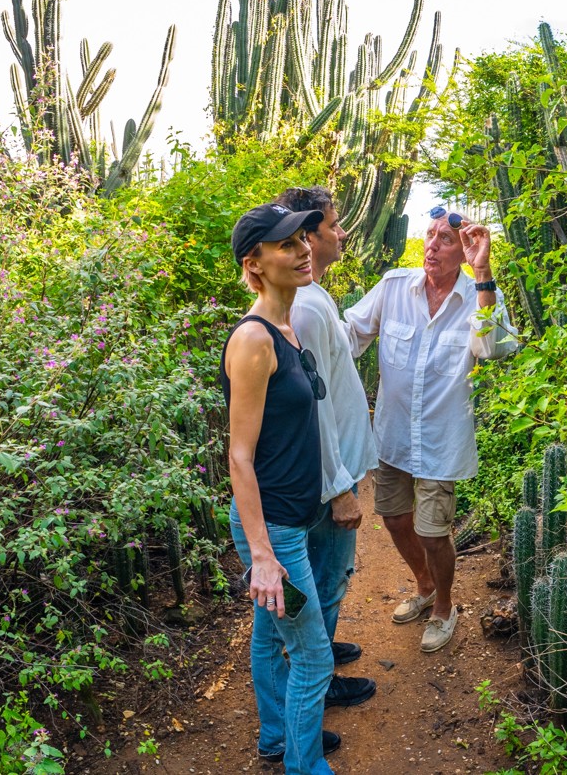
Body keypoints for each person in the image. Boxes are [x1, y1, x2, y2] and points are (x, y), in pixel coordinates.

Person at [344, 207, 519, 653]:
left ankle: (444, 605)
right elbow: (350, 336)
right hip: (393, 436)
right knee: (395, 519)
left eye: (446, 239)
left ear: (465, 251)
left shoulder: (478, 294)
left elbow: (496, 348)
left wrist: (483, 274)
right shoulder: (394, 287)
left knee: (432, 532)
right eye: (431, 235)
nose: (433, 245)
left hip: (441, 440)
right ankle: (423, 586)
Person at [222, 202, 341, 774]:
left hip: (292, 519)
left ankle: (279, 738)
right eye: (285, 243)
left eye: (302, 238)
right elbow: (239, 458)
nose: (302, 250)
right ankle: (304, 764)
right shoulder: (254, 340)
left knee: (273, 639)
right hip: (274, 534)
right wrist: (264, 558)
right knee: (314, 659)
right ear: (255, 263)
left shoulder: (288, 327)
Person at [273, 186, 379, 709]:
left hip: (336, 467)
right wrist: (340, 488)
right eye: (334, 225)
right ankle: (317, 676)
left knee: (325, 571)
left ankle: (322, 650)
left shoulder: (315, 299)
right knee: (327, 575)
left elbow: (339, 357)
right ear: (308, 236)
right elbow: (314, 407)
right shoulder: (308, 309)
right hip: (326, 476)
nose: (342, 233)